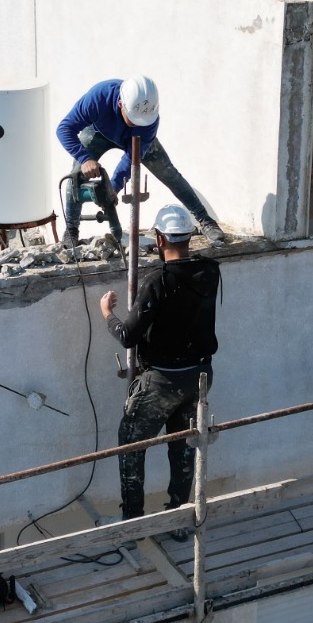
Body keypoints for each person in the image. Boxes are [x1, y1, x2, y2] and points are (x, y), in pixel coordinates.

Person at [100, 205, 221, 541]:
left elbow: (128, 335)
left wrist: (107, 312)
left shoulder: (158, 282)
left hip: (163, 381)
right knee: (182, 446)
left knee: (129, 445)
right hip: (199, 376)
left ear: (159, 237)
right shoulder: (210, 272)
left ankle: (133, 524)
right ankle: (180, 520)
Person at [55, 76, 225, 250]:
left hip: (136, 140)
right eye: (133, 119)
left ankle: (206, 220)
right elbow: (64, 128)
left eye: (142, 121)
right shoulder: (98, 98)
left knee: (169, 173)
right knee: (76, 176)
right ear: (121, 104)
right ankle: (71, 229)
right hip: (98, 131)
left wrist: (112, 188)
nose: (138, 123)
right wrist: (85, 158)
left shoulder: (149, 120)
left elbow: (131, 159)